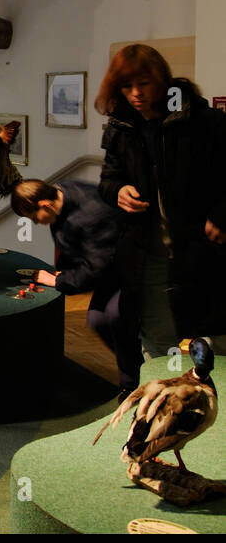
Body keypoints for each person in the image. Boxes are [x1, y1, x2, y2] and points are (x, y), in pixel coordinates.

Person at [95, 44, 226, 360]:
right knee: (157, 345)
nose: (136, 93)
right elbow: (108, 180)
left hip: (202, 253)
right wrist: (118, 191)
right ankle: (162, 406)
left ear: (162, 80)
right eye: (127, 86)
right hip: (147, 255)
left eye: (144, 84)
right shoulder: (121, 128)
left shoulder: (204, 122)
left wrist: (222, 214)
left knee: (215, 343)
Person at [12, 178, 138, 392]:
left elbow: (96, 268)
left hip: (129, 270)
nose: (35, 223)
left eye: (34, 217)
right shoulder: (60, 198)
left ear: (45, 205)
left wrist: (58, 280)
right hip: (109, 268)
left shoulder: (92, 214)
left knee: (115, 317)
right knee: (98, 320)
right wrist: (65, 270)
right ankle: (135, 377)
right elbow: (72, 243)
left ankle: (133, 384)